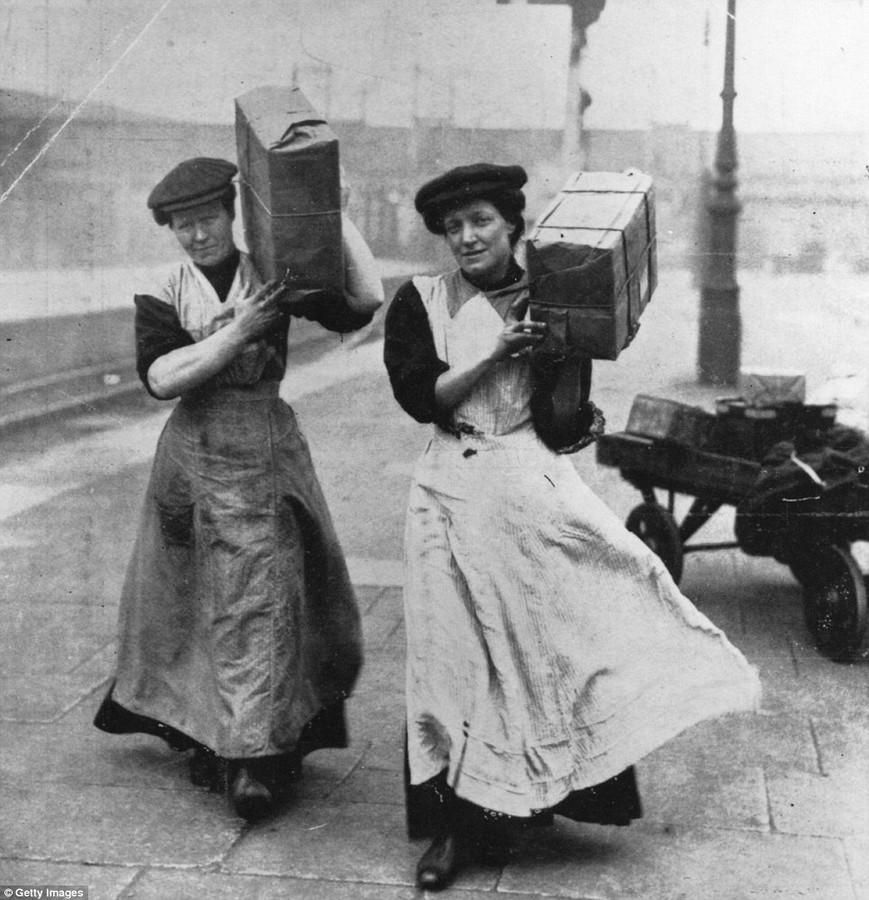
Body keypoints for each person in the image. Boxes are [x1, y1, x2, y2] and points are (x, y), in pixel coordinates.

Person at [383, 162, 761, 890]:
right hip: (444, 485)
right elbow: (420, 396)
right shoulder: (420, 300)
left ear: (511, 226)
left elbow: (556, 426)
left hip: (525, 484)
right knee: (448, 654)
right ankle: (454, 831)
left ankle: (526, 797)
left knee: (540, 644)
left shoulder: (556, 297)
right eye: (454, 226)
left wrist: (563, 371)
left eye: (480, 222)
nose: (466, 237)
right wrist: (495, 353)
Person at [95, 157, 383, 821]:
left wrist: (335, 218)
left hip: (265, 444)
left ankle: (253, 757)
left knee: (267, 597)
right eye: (182, 226)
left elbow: (362, 304)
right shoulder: (166, 286)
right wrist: (240, 330)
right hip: (192, 452)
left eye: (206, 219)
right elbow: (164, 378)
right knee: (193, 601)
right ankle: (216, 738)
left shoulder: (274, 269)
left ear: (232, 214)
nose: (197, 236)